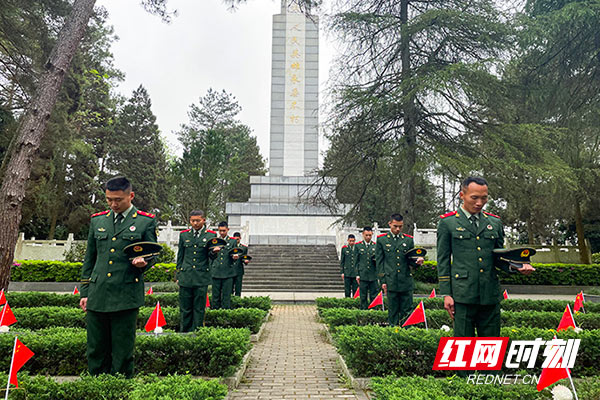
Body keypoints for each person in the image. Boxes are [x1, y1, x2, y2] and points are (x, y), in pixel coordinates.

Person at [437, 176, 535, 338]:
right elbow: (443, 260)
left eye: (484, 198)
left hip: (490, 294)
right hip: (463, 294)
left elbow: (499, 257)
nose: (479, 203)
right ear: (462, 195)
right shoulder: (448, 223)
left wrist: (517, 267)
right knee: (463, 347)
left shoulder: (494, 223)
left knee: (490, 346)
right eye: (474, 198)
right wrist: (446, 293)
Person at [79, 176, 157, 378]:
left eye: (118, 200)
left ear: (130, 196)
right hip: (98, 293)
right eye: (109, 199)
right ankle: (97, 388)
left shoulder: (144, 221)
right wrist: (85, 292)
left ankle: (120, 388)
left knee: (122, 351)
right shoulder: (98, 221)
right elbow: (90, 259)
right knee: (95, 349)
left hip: (126, 293)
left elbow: (153, 253)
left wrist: (144, 262)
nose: (113, 204)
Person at [375, 214, 424, 326]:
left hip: (405, 281)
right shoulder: (382, 240)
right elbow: (380, 262)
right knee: (392, 312)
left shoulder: (408, 240)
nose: (398, 229)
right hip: (390, 281)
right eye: (395, 226)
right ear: (390, 224)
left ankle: (406, 336)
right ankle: (393, 334)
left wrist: (418, 262)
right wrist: (383, 280)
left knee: (407, 312)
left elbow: (411, 261)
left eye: (400, 227)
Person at [176, 210, 217, 332]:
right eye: (193, 221)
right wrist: (178, 274)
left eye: (198, 220)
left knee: (199, 307)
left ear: (204, 220)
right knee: (185, 307)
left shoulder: (210, 235)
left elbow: (211, 256)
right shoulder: (184, 235)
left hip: (201, 276)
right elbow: (180, 256)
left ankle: (197, 331)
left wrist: (214, 252)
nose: (195, 223)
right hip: (186, 276)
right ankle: (185, 332)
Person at [210, 221, 238, 309]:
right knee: (215, 296)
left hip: (228, 272)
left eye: (224, 231)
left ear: (228, 230)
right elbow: (210, 255)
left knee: (226, 296)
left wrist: (235, 257)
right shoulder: (214, 241)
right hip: (216, 272)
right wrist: (213, 251)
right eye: (220, 231)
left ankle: (225, 315)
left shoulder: (232, 241)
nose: (222, 233)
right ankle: (215, 314)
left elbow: (234, 253)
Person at [354, 227, 379, 310]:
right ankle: (363, 312)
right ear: (363, 235)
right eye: (366, 235)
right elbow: (356, 261)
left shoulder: (375, 246)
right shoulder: (358, 246)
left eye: (370, 235)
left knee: (374, 295)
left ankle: (373, 312)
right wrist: (357, 274)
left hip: (373, 275)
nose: (368, 237)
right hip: (363, 275)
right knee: (363, 296)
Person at [231, 232, 249, 297]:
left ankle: (237, 301)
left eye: (238, 239)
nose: (236, 241)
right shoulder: (230, 247)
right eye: (235, 239)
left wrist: (246, 261)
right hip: (230, 270)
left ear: (240, 238)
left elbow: (244, 257)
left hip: (239, 270)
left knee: (238, 288)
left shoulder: (244, 248)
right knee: (230, 288)